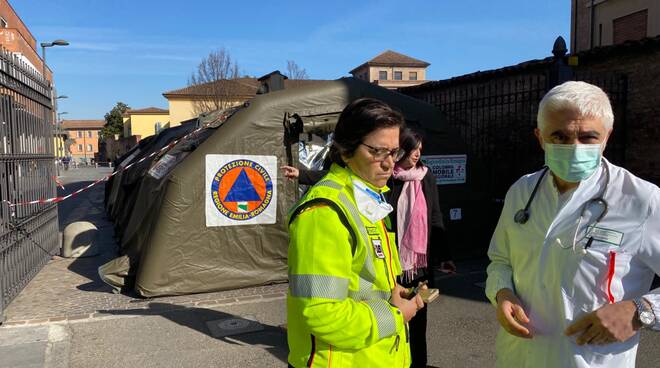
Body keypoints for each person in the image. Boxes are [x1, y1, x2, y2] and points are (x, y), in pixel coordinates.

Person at [485, 81, 660, 367]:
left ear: (607, 137)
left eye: (588, 137)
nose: (574, 147)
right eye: (560, 136)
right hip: (519, 357)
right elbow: (500, 260)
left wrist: (640, 311)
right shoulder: (522, 192)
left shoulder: (642, 200)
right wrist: (501, 292)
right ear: (540, 137)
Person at [287, 98, 424, 368]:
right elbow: (322, 314)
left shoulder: (368, 201)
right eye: (377, 151)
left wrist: (393, 292)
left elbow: (364, 280)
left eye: (394, 152)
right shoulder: (325, 212)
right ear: (346, 149)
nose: (389, 164)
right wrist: (395, 314)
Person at [386, 128, 454, 367]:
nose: (416, 155)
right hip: (392, 263)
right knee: (392, 319)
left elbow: (435, 216)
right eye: (413, 149)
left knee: (418, 322)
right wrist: (302, 174)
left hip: (420, 265)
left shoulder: (426, 176)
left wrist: (444, 255)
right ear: (402, 148)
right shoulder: (388, 177)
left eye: (420, 150)